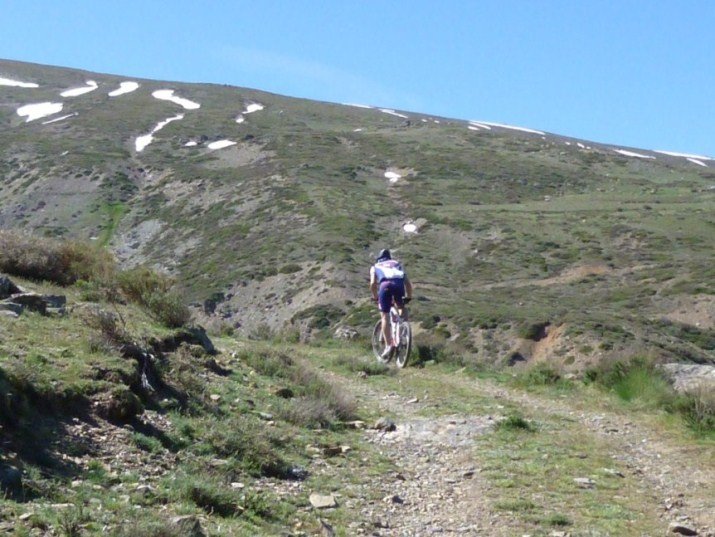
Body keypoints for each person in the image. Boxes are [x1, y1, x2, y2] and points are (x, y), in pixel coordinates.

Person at [370, 248, 413, 359]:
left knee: (385, 316)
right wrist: (409, 297)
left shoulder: (375, 266)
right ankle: (404, 329)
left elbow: (373, 283)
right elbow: (407, 283)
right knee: (401, 307)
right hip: (399, 285)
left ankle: (388, 345)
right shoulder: (396, 264)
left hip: (385, 286)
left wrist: (375, 297)